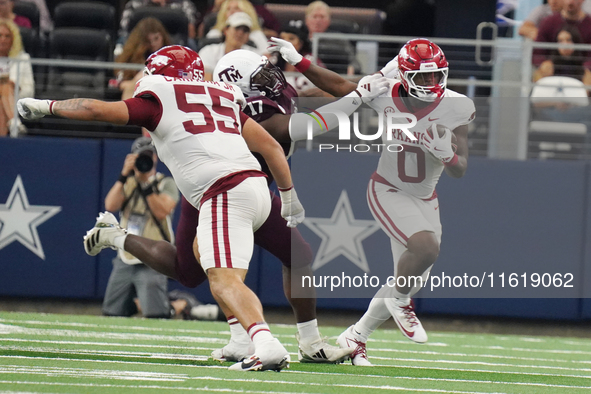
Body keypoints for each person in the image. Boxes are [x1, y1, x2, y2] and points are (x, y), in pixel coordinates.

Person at [17, 45, 304, 372]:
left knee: (224, 279)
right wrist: (290, 198)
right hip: (256, 189)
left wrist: (45, 106)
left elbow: (94, 109)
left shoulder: (159, 99)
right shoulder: (221, 96)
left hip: (222, 190)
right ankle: (241, 337)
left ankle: (265, 342)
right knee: (201, 256)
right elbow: (269, 146)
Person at [270, 37, 475, 365]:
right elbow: (339, 86)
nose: (431, 83)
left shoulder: (458, 105)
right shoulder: (387, 94)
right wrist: (300, 61)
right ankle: (402, 304)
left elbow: (460, 169)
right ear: (405, 76)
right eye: (423, 76)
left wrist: (448, 155)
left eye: (437, 75)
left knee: (411, 274)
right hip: (389, 190)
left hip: (426, 197)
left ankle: (356, 336)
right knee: (424, 250)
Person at [101, 136, 181, 319]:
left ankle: (175, 308)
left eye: (148, 156)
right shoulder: (128, 183)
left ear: (155, 157)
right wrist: (123, 175)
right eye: (140, 156)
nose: (145, 160)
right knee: (111, 311)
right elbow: (110, 205)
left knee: (155, 314)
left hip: (154, 257)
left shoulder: (165, 183)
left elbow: (162, 211)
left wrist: (145, 184)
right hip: (126, 255)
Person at [115, 17, 172, 100]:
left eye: (156, 38)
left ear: (163, 36)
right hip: (138, 96)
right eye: (148, 41)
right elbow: (121, 83)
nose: (153, 43)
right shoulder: (132, 55)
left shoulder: (170, 55)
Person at [198, 11, 260, 80]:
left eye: (245, 30)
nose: (240, 33)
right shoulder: (208, 51)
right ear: (226, 30)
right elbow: (207, 82)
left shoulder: (254, 56)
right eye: (237, 28)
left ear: (248, 36)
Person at [118, 0, 200, 48]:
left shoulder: (184, 5)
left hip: (173, 45)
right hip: (139, 44)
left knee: (190, 43)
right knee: (122, 40)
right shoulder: (134, 4)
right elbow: (125, 29)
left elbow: (191, 33)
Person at [0, 19, 33, 137]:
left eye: (7, 36)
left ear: (14, 39)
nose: (3, 39)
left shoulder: (23, 59)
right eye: (0, 35)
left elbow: (30, 90)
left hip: (17, 100)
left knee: (5, 88)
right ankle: (15, 124)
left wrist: (16, 89)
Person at [534, 0, 591, 67]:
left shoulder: (589, 25)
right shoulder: (548, 22)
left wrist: (586, 69)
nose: (570, 2)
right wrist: (543, 64)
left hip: (581, 74)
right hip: (551, 73)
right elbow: (537, 53)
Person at [272, 20, 324, 92]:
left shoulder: (312, 61)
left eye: (291, 38)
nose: (285, 42)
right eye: (282, 38)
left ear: (301, 43)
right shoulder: (273, 60)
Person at [204, 0, 270, 54]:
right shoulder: (214, 32)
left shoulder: (257, 34)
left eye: (236, 8)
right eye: (228, 9)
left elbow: (267, 56)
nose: (232, 12)